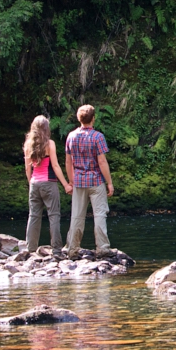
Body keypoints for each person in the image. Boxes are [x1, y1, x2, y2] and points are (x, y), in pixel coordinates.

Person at [65, 104, 114, 258]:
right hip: (96, 180)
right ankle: (103, 248)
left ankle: (72, 249)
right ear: (93, 119)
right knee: (99, 214)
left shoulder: (71, 136)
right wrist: (110, 182)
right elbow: (102, 162)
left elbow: (68, 162)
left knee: (77, 215)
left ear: (79, 119)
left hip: (79, 181)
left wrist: (71, 181)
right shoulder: (98, 137)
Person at [23, 115, 72, 255]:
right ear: (46, 128)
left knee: (33, 216)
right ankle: (56, 249)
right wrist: (66, 185)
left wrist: (31, 183)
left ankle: (30, 249)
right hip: (49, 184)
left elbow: (28, 169)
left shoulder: (28, 144)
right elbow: (55, 166)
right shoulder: (50, 144)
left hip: (34, 183)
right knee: (54, 215)